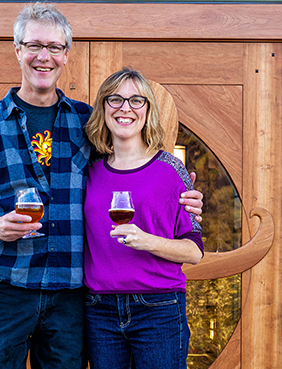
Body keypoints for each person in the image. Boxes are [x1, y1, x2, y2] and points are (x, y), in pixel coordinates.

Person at [0, 3, 204, 369]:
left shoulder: (86, 121)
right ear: (17, 50)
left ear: (66, 55)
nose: (43, 57)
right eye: (34, 45)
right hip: (6, 288)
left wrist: (181, 196)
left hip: (71, 295)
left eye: (54, 47)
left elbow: (130, 164)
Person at [83, 67, 204, 369]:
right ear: (103, 108)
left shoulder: (171, 170)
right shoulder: (88, 170)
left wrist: (146, 240)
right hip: (99, 311)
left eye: (136, 100)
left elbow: (194, 252)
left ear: (148, 110)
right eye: (115, 100)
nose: (126, 108)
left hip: (158, 309)